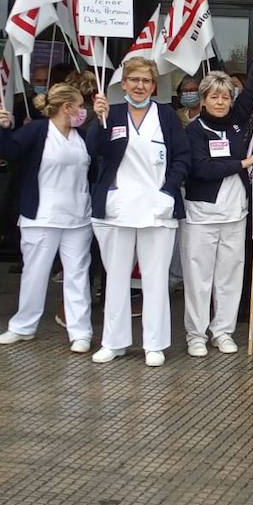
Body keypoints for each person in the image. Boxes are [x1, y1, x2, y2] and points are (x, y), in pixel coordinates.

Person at [87, 56, 190, 366]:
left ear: (153, 85)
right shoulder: (112, 114)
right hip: (118, 208)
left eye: (146, 80)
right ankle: (113, 342)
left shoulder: (167, 116)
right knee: (115, 277)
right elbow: (93, 151)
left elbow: (182, 157)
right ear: (124, 83)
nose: (140, 86)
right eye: (134, 80)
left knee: (156, 278)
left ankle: (154, 344)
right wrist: (97, 119)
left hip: (156, 208)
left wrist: (167, 191)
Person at [0, 83, 94, 352]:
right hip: (42, 216)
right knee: (34, 273)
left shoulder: (81, 136)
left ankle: (81, 331)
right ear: (66, 107)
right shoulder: (37, 131)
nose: (83, 111)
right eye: (80, 106)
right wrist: (5, 128)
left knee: (77, 275)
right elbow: (10, 152)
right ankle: (23, 326)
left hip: (78, 216)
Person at [181, 65, 253, 356]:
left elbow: (251, 91)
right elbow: (202, 169)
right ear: (203, 100)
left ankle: (223, 331)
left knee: (229, 277)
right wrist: (243, 163)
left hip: (235, 215)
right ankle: (196, 335)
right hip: (202, 216)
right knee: (198, 279)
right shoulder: (194, 131)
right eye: (214, 96)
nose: (220, 102)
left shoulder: (237, 121)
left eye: (225, 97)